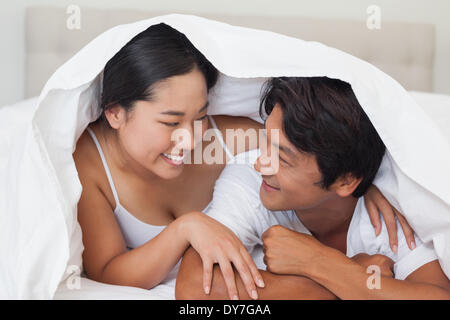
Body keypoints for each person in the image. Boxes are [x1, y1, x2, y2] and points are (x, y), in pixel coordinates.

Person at [175, 77, 450, 299]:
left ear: (345, 181)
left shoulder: (389, 212)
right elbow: (195, 288)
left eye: (282, 158)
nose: (261, 163)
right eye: (265, 141)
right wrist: (349, 276)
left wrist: (316, 261)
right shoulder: (249, 178)